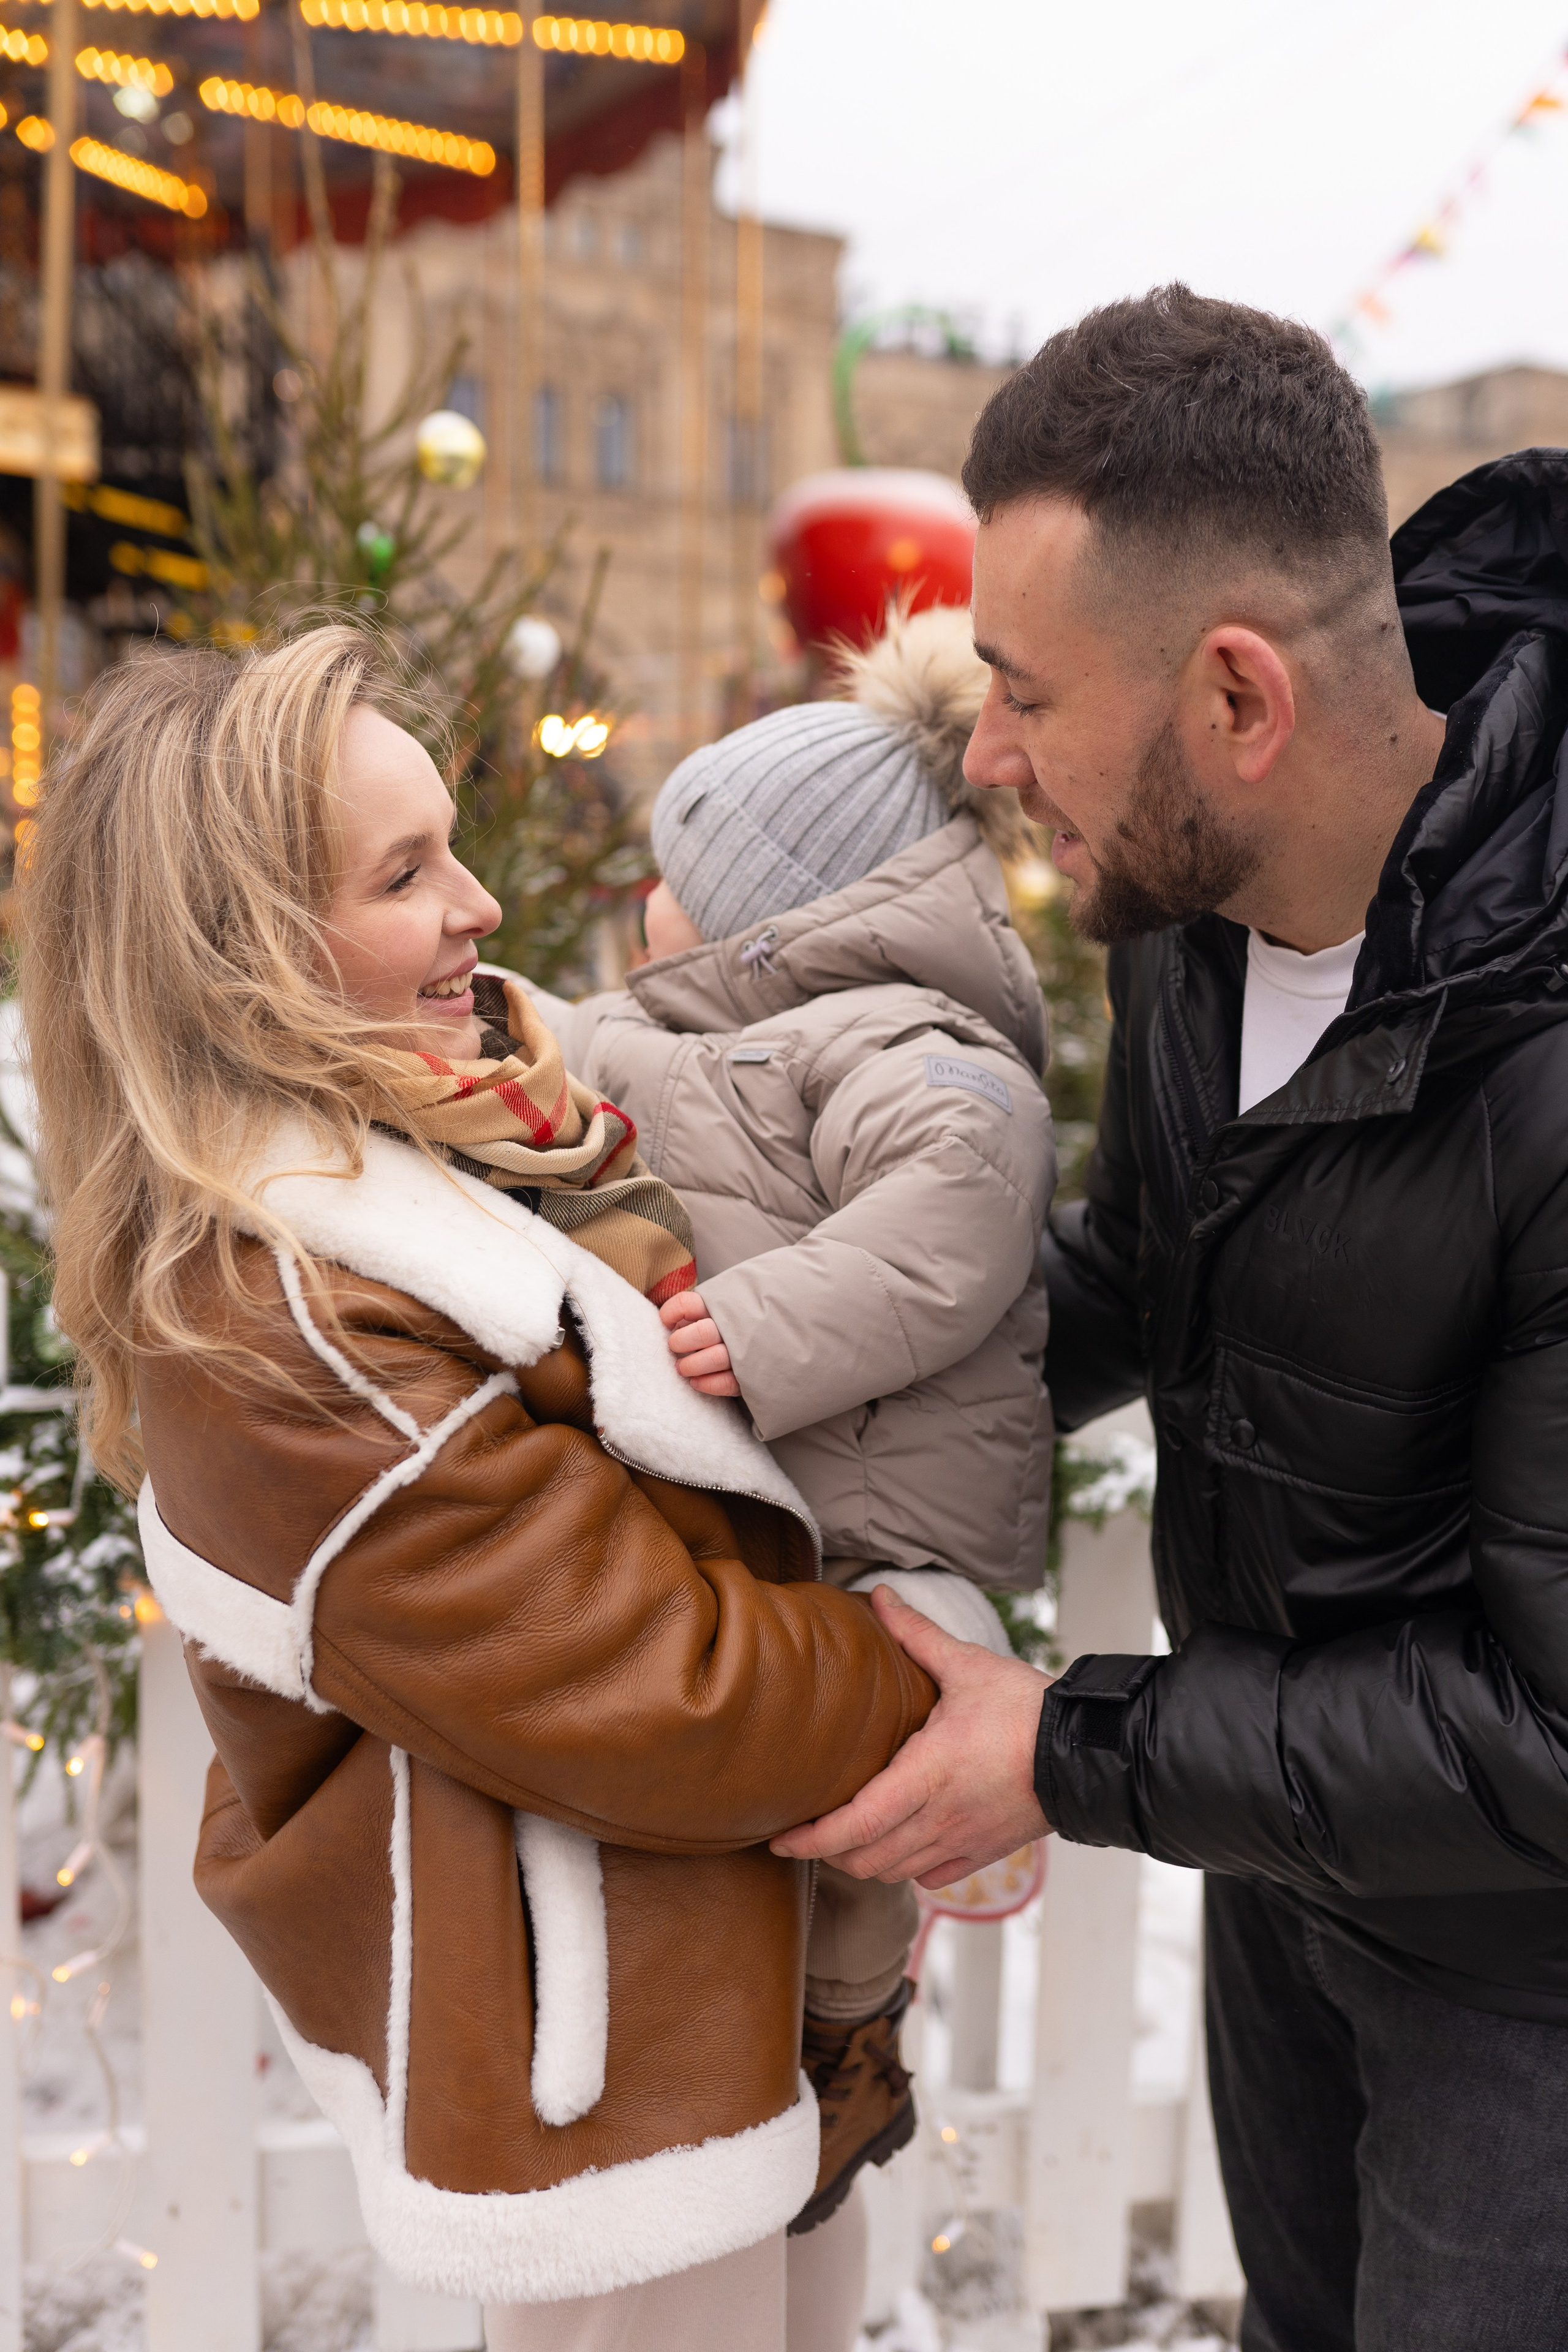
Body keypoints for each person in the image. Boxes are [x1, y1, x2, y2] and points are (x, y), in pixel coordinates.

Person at [775, 285, 1568, 2352]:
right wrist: (787, 1347)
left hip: (1530, 1997)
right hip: (1287, 1873)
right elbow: (1148, 1266)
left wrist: (1066, 1741)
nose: (985, 750)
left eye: (1027, 689)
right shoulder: (1193, 927)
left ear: (1237, 697)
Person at [19, 624, 941, 2352]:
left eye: (452, 844)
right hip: (607, 2083)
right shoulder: (281, 1317)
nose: (483, 907)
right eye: (404, 871)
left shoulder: (505, 1135)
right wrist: (938, 1690)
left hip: (739, 1990)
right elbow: (661, 1691)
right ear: (242, 952)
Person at [525, 602, 1055, 2234]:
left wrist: (761, 1329)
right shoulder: (689, 1028)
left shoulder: (905, 1044)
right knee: (764, 1803)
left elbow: (965, 1198)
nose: (645, 900)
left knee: (855, 1812)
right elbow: (566, 1072)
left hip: (886, 1519)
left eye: (681, 870)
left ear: (779, 909)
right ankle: (783, 2042)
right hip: (754, 1507)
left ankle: (854, 2044)